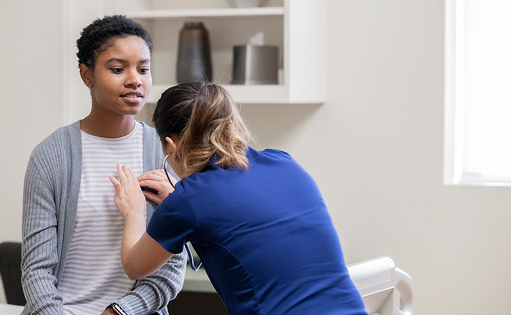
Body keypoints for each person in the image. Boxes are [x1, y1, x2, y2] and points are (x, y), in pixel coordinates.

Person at [110, 81, 368, 315]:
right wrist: (179, 202)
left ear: (172, 145)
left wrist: (134, 212)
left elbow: (135, 266)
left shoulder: (189, 199)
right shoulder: (284, 162)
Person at [21, 15, 186, 315]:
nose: (135, 79)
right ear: (87, 75)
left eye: (144, 69)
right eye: (118, 69)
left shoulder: (165, 152)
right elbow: (36, 270)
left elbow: (172, 267)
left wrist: (118, 312)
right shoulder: (50, 157)